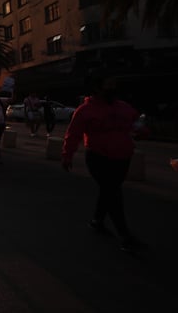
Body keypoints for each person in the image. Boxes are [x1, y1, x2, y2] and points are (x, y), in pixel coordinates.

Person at [61, 74, 146, 253]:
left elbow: (136, 123)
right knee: (113, 192)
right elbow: (73, 134)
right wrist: (67, 155)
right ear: (97, 88)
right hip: (98, 158)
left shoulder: (124, 107)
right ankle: (124, 235)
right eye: (109, 85)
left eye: (114, 84)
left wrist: (141, 130)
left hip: (123, 157)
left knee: (109, 191)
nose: (113, 88)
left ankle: (97, 221)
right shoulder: (84, 111)